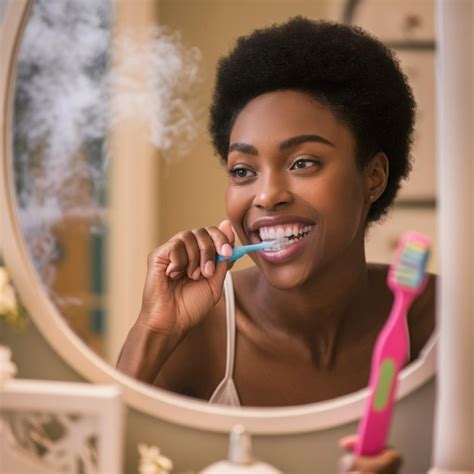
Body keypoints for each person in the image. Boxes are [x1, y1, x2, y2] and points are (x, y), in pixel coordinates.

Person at [117, 17, 435, 472]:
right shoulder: (198, 334)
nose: (266, 196)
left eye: (303, 162)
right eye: (243, 171)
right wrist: (154, 330)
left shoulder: (443, 322)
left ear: (373, 177)